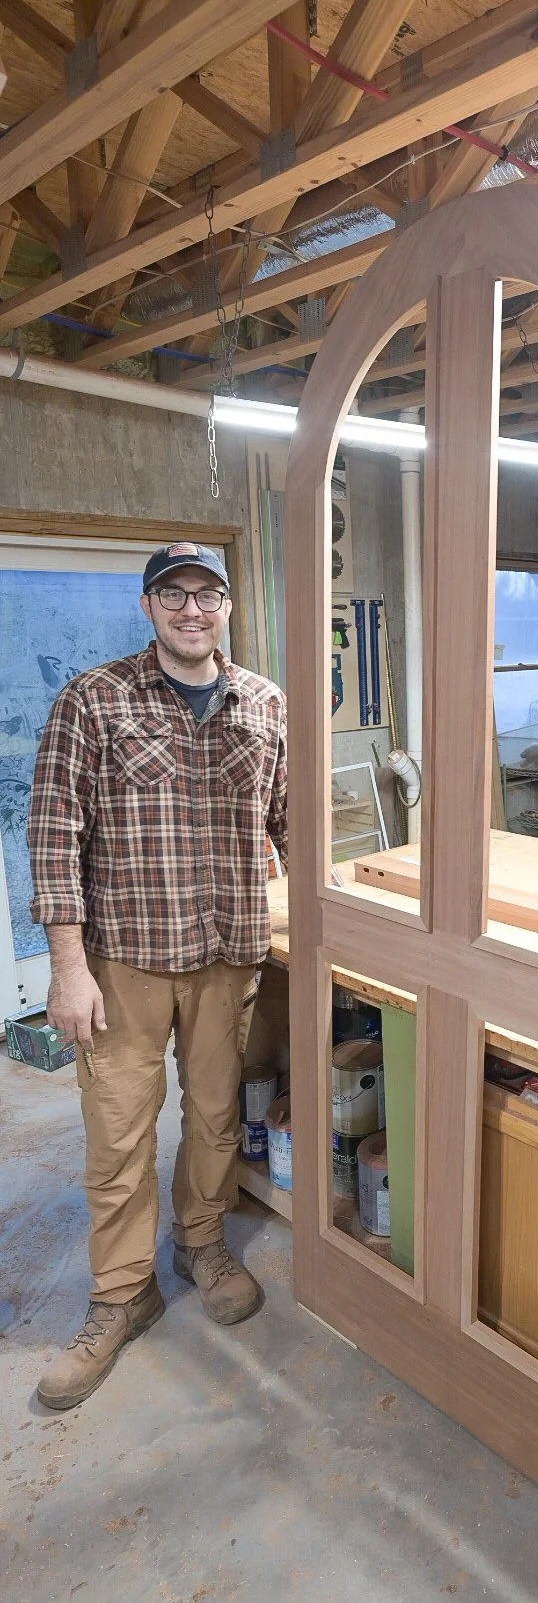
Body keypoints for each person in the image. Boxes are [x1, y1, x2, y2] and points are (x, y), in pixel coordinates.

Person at [27, 542, 287, 1410]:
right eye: (172, 595)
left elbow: (292, 828)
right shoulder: (93, 701)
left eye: (206, 595)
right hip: (124, 960)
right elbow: (54, 840)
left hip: (228, 954)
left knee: (215, 1117)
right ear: (147, 607)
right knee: (119, 1132)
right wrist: (68, 971)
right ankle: (120, 1293)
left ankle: (202, 1243)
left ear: (225, 608)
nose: (191, 610)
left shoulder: (264, 703)